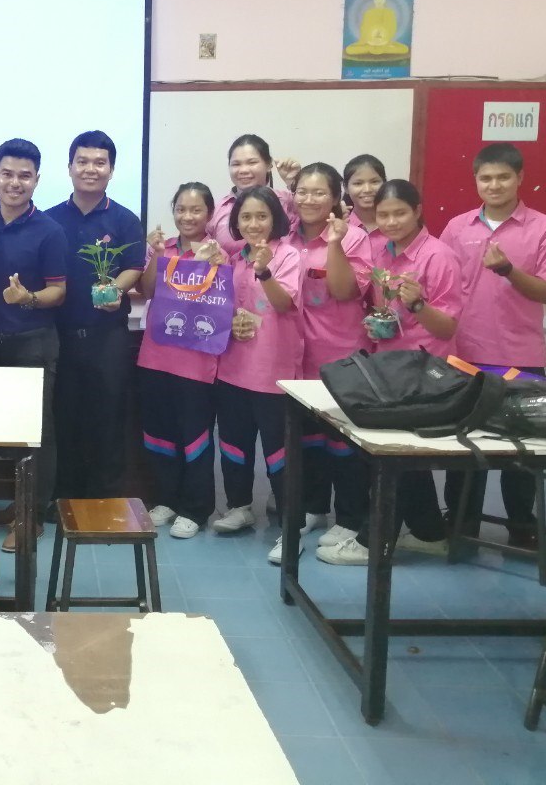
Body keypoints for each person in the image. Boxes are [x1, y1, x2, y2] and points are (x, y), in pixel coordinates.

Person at [317, 179, 460, 566]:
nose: (392, 221)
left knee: (390, 460)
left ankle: (373, 542)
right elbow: (364, 298)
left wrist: (417, 306)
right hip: (388, 367)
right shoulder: (381, 251)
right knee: (402, 457)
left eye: (400, 213)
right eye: (384, 215)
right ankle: (430, 533)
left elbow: (447, 327)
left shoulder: (438, 256)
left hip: (423, 374)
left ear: (418, 211)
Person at [440, 142, 546, 547]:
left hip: (520, 355)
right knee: (463, 448)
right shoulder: (458, 227)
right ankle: (461, 523)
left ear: (520, 178)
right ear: (475, 180)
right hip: (465, 353)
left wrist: (509, 270)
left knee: (521, 450)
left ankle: (521, 526)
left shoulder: (544, 227)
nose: (494, 185)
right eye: (486, 178)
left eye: (503, 177)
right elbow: (440, 283)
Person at [0, 139, 67, 553]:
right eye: (7, 174)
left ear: (37, 180)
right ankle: (14, 504)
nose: (15, 182)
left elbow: (58, 292)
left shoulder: (50, 230)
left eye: (24, 176)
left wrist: (27, 298)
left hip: (33, 344)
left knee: (37, 433)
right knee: (0, 431)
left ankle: (32, 516)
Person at [47, 130, 144, 501]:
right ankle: (64, 498)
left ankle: (107, 499)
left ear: (111, 170)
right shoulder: (50, 219)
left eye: (100, 163)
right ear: (70, 167)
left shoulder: (125, 219)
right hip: (61, 337)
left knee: (109, 420)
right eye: (83, 161)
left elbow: (134, 265)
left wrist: (116, 289)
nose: (91, 169)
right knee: (64, 419)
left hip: (108, 337)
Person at [285, 163, 372, 559]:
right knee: (308, 439)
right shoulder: (286, 235)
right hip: (297, 356)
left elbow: (345, 290)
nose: (309, 199)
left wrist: (335, 244)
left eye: (319, 192)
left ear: (336, 198)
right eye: (302, 191)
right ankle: (313, 507)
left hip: (341, 356)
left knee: (344, 443)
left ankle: (350, 518)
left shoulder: (353, 237)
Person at [212, 186, 304, 558]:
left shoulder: (288, 255)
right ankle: (239, 507)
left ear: (275, 219)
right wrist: (230, 322)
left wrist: (265, 272)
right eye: (246, 217)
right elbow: (221, 306)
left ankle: (291, 530)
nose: (253, 224)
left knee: (279, 453)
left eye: (261, 216)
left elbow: (283, 303)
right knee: (234, 444)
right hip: (233, 367)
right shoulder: (234, 258)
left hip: (273, 372)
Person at [137, 183, 224, 540]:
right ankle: (166, 500)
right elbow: (146, 291)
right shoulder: (164, 247)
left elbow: (224, 302)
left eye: (196, 210)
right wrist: (156, 256)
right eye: (181, 209)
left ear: (209, 214)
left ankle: (195, 509)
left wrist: (213, 266)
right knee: (159, 433)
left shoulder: (219, 254)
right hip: (156, 356)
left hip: (197, 363)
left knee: (195, 438)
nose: (187, 216)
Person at [209, 134, 300, 255]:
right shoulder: (216, 211)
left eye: (252, 162)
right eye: (236, 164)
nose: (243, 170)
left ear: (269, 165)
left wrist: (294, 183)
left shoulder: (288, 201)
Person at [343, 153, 386, 237]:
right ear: (346, 188)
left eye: (374, 182)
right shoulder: (340, 227)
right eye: (358, 183)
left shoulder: (395, 225)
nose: (367, 189)